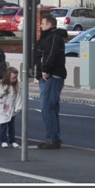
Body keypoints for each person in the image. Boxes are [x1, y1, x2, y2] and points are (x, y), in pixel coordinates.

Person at [34, 11, 68, 149]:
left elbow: (51, 54)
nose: (40, 26)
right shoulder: (49, 37)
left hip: (51, 76)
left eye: (42, 23)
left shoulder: (53, 37)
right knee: (51, 108)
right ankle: (53, 137)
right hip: (50, 76)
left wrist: (45, 69)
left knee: (47, 107)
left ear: (48, 24)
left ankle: (52, 138)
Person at [0, 66, 23, 148]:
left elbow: (19, 98)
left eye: (15, 78)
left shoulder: (17, 87)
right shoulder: (2, 85)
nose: (14, 80)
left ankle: (12, 140)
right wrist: (4, 90)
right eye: (13, 78)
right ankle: (3, 140)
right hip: (4, 110)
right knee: (3, 126)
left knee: (12, 127)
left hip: (12, 110)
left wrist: (18, 108)